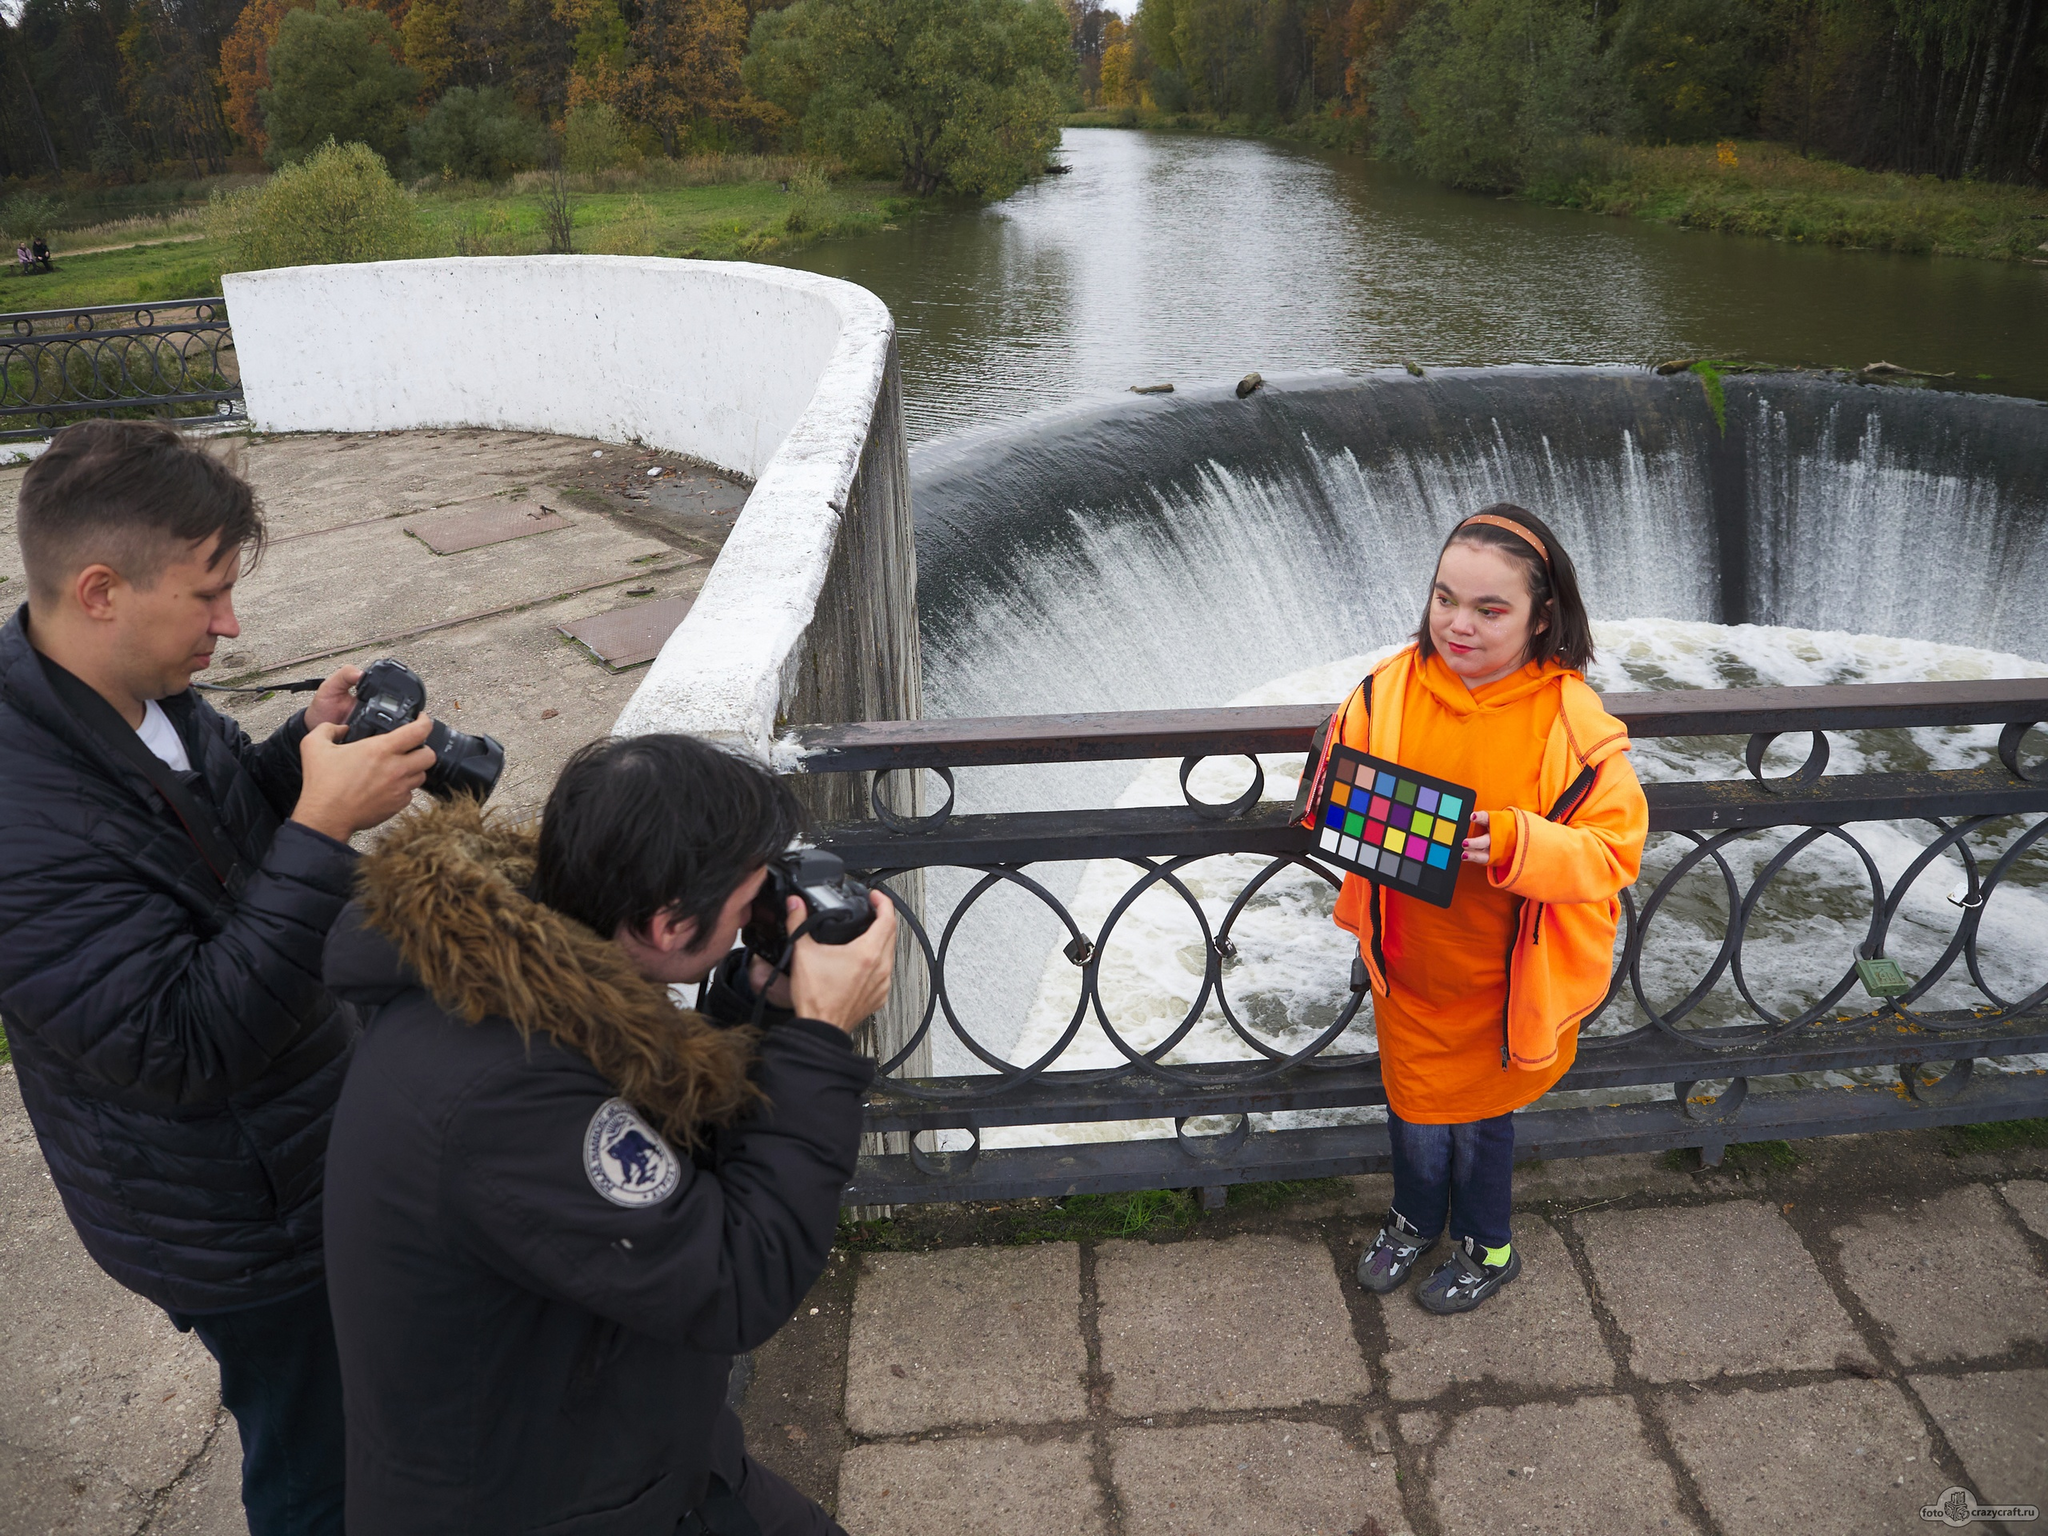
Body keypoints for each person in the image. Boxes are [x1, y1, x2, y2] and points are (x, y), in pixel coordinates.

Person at [0, 419, 439, 1535]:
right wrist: (322, 831)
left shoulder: (124, 689)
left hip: (289, 1152)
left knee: (373, 1415)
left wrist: (300, 748)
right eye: (207, 596)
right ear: (100, 589)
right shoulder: (22, 821)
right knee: (315, 1462)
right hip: (231, 1216)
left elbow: (200, 831)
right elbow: (182, 1045)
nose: (229, 624)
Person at [321, 732, 897, 1536]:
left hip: (627, 1444)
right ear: (665, 925)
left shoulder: (518, 975)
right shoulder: (505, 1096)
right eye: (743, 908)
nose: (751, 922)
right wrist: (820, 1042)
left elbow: (649, 1128)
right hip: (543, 1505)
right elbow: (733, 1281)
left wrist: (755, 1000)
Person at [1322, 503, 1647, 1313]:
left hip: (1504, 981)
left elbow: (1614, 853)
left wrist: (1518, 843)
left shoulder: (1571, 724)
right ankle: (1412, 1219)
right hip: (1409, 963)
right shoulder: (1388, 689)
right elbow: (1335, 777)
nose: (1458, 624)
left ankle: (1486, 1246)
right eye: (1444, 599)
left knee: (1481, 1126)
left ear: (1543, 618)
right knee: (1411, 1106)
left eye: (1489, 609)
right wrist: (1338, 803)